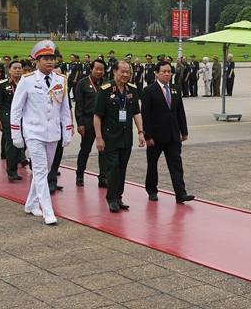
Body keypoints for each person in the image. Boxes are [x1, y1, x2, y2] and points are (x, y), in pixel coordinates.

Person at [10, 40, 73, 226]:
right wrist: (16, 133)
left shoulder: (60, 80)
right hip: (33, 131)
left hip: (52, 132)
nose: (49, 62)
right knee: (39, 170)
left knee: (44, 170)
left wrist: (67, 130)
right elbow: (16, 109)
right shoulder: (27, 80)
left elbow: (64, 109)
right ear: (37, 61)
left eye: (52, 58)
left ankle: (30, 204)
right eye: (45, 58)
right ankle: (48, 210)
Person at [94, 60, 145, 213]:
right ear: (114, 72)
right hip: (109, 137)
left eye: (127, 72)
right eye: (121, 71)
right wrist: (99, 137)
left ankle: (119, 197)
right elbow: (97, 115)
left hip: (125, 137)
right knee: (113, 168)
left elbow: (136, 112)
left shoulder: (132, 90)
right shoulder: (105, 90)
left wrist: (141, 132)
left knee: (122, 168)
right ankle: (111, 198)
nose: (125, 75)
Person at [141, 60, 194, 204]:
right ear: (156, 73)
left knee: (176, 165)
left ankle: (180, 193)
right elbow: (145, 115)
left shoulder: (175, 89)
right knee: (152, 165)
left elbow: (180, 112)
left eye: (169, 71)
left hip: (172, 135)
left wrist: (184, 131)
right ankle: (152, 190)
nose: (167, 74)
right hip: (156, 136)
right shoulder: (149, 90)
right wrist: (148, 136)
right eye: (164, 71)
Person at [74, 58, 108, 187]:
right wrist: (80, 123)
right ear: (91, 69)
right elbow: (79, 105)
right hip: (88, 120)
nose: (99, 72)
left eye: (101, 70)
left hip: (103, 121)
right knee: (85, 150)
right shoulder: (83, 83)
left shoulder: (107, 84)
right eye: (96, 69)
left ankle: (103, 177)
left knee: (104, 150)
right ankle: (80, 175)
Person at [0, 60, 24, 180]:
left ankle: (20, 160)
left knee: (22, 143)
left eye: (19, 68)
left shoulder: (25, 83)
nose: (17, 70)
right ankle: (11, 170)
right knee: (11, 144)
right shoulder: (3, 84)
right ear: (9, 70)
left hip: (23, 118)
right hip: (8, 117)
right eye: (15, 68)